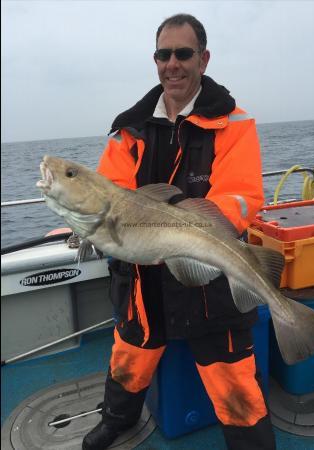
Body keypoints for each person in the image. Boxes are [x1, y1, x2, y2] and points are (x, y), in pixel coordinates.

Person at [83, 13, 276, 450]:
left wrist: (186, 232)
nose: (172, 64)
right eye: (162, 54)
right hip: (141, 275)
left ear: (203, 59)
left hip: (210, 274)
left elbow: (240, 197)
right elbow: (109, 192)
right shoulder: (128, 126)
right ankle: (117, 419)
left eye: (183, 54)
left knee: (234, 379)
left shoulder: (235, 123)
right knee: (129, 353)